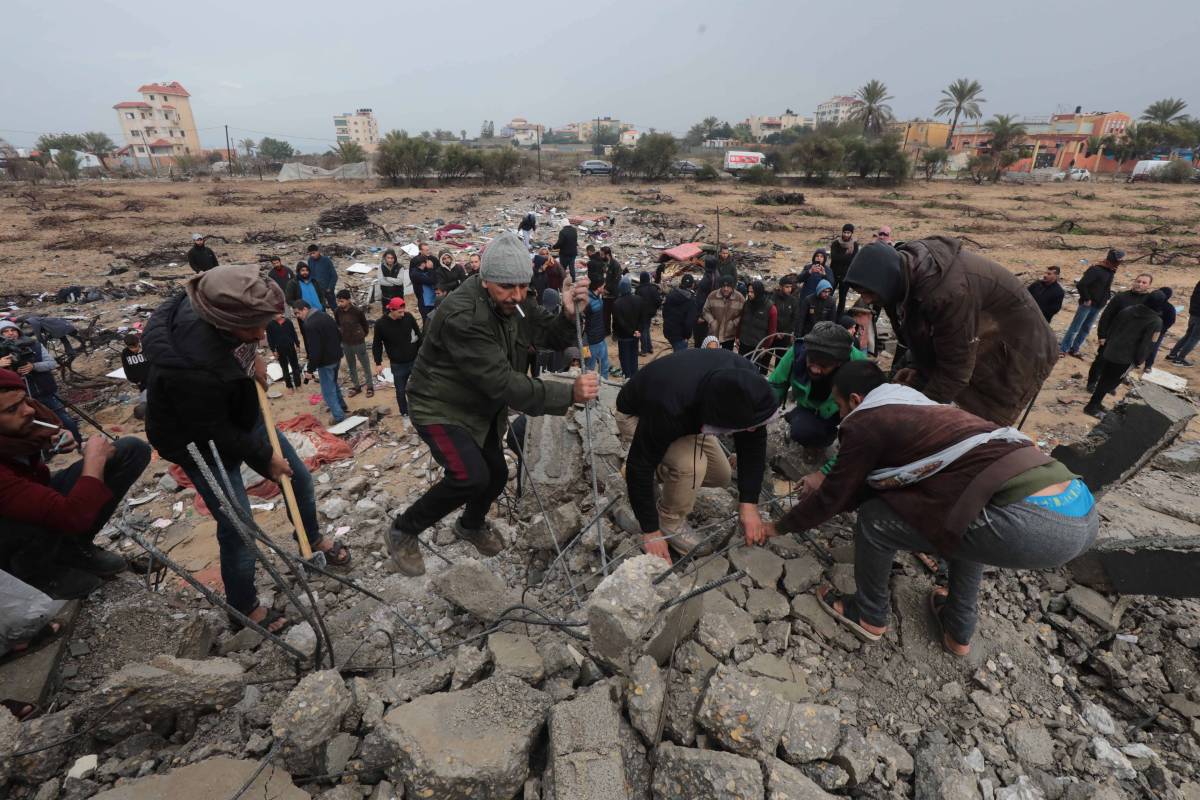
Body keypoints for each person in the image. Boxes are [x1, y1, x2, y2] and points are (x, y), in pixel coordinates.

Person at [764, 360, 1098, 657]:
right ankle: (958, 627)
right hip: (1079, 507)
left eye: (839, 406)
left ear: (855, 400)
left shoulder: (865, 421)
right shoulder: (915, 403)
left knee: (876, 521)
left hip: (1034, 524)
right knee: (961, 514)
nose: (839, 415)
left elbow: (835, 495)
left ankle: (868, 614)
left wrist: (778, 527)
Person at [143, 265, 350, 632]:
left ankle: (311, 537)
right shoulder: (191, 367)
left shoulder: (213, 298)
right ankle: (243, 607)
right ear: (222, 323)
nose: (261, 334)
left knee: (299, 479)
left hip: (236, 407)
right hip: (198, 440)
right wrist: (264, 458)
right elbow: (216, 430)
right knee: (239, 524)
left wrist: (251, 355)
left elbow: (245, 335)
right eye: (253, 328)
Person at [384, 231, 599, 576]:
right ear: (485, 281)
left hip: (478, 404)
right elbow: (503, 383)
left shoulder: (515, 300)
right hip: (439, 405)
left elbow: (547, 333)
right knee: (469, 476)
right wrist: (568, 393)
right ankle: (403, 530)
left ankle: (470, 525)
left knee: (496, 474)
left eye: (522, 286)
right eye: (507, 288)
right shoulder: (464, 316)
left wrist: (569, 316)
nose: (517, 296)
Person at [844, 238, 1057, 426]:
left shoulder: (948, 293)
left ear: (887, 280)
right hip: (975, 332)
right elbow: (918, 331)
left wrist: (919, 414)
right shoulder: (905, 275)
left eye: (868, 292)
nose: (867, 300)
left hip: (1019, 348)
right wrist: (917, 367)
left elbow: (956, 369)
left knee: (978, 423)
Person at [615, 348, 778, 561]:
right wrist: (650, 530)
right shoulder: (670, 405)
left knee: (720, 475)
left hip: (688, 416)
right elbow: (640, 463)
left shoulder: (747, 383)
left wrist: (749, 503)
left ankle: (658, 474)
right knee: (693, 466)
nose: (752, 430)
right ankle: (669, 520)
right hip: (637, 415)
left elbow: (753, 439)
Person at [0, 368, 150, 600]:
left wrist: (54, 437)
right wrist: (94, 461)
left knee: (131, 450)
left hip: (30, 495)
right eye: (12, 409)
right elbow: (72, 514)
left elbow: (46, 421)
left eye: (24, 400)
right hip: (9, 533)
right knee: (31, 520)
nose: (28, 410)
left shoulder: (17, 430)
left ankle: (71, 546)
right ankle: (34, 572)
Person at [769, 322, 866, 455]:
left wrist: (831, 466)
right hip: (808, 406)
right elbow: (776, 385)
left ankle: (826, 435)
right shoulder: (797, 352)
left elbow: (863, 425)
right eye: (811, 361)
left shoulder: (858, 365)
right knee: (801, 431)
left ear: (839, 362)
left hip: (838, 413)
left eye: (824, 365)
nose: (815, 369)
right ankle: (801, 421)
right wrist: (763, 414)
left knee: (836, 435)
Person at [1084, 291, 1165, 417]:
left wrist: (1108, 344)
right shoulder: (1155, 321)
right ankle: (1091, 406)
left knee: (1104, 378)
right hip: (1126, 357)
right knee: (1110, 382)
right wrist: (1139, 360)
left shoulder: (1128, 310)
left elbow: (1113, 327)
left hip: (1110, 350)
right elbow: (1147, 344)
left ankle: (1096, 403)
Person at [0, 321, 81, 444]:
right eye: (5, 331)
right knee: (34, 425)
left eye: (13, 330)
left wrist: (34, 366)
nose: (10, 333)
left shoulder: (34, 345)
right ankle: (47, 449)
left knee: (63, 418)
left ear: (18, 332)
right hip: (22, 398)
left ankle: (78, 442)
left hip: (45, 390)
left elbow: (52, 363)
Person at [1086, 272, 1153, 392]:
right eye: (1138, 281)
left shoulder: (1149, 301)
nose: (1140, 284)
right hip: (1111, 337)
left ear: (1149, 285)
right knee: (1100, 362)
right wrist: (1102, 335)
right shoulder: (1121, 297)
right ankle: (1092, 383)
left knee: (1117, 367)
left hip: (1129, 343)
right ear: (1134, 281)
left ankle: (1107, 386)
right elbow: (1106, 316)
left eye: (1144, 283)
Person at [1061, 249, 1124, 357]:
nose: (1120, 262)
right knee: (1075, 328)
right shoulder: (1096, 269)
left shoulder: (1111, 271)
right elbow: (1081, 284)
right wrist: (1086, 298)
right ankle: (1063, 349)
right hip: (1087, 305)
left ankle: (1075, 349)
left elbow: (1106, 287)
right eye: (1119, 260)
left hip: (1099, 305)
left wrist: (1106, 298)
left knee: (1086, 329)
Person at [294, 301, 348, 424]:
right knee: (333, 383)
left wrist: (310, 369)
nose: (297, 316)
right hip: (336, 356)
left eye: (298, 313)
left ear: (305, 309)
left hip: (325, 361)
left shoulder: (310, 324)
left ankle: (339, 416)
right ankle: (342, 406)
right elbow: (338, 333)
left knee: (328, 391)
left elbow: (315, 349)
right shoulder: (324, 315)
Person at [372, 297, 421, 418]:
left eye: (403, 311)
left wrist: (422, 354)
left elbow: (419, 335)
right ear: (391, 310)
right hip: (398, 364)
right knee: (400, 391)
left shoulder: (408, 317)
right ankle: (404, 413)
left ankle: (420, 410)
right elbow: (377, 344)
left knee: (419, 388)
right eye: (399, 312)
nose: (402, 314)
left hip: (414, 360)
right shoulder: (381, 324)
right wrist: (378, 362)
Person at [333, 290, 374, 399]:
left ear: (348, 300)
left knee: (365, 365)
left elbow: (365, 325)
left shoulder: (357, 311)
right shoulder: (337, 311)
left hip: (359, 342)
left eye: (342, 301)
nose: (340, 303)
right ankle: (356, 387)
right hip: (346, 342)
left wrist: (361, 335)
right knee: (351, 366)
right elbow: (338, 325)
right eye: (338, 301)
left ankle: (370, 387)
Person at [613, 276, 648, 379]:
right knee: (633, 356)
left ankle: (628, 378)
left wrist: (632, 331)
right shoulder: (638, 299)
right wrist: (638, 331)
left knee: (624, 358)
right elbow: (643, 318)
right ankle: (634, 376)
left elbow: (619, 322)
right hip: (635, 335)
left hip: (624, 336)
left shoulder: (617, 303)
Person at [738, 280, 777, 371]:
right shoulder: (747, 303)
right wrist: (737, 336)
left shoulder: (770, 308)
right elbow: (742, 320)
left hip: (757, 346)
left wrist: (765, 347)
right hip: (744, 342)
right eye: (748, 291)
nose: (749, 294)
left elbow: (772, 330)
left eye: (752, 292)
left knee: (752, 370)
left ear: (759, 292)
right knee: (740, 367)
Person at [702, 275, 745, 351]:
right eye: (723, 286)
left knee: (725, 356)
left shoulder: (740, 298)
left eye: (728, 286)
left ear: (733, 287)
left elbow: (744, 314)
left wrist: (733, 323)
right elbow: (705, 310)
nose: (726, 289)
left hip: (729, 336)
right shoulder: (712, 295)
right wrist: (712, 321)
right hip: (713, 335)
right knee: (712, 356)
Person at [266, 312, 302, 393]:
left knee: (295, 366)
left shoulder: (288, 322)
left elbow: (293, 333)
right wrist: (273, 350)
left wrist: (297, 345)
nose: (275, 315)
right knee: (284, 368)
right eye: (274, 314)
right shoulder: (270, 325)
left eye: (277, 313)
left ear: (281, 313)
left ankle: (298, 384)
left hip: (290, 347)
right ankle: (289, 386)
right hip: (279, 349)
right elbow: (269, 338)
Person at [1167, 279, 1200, 366]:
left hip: (1194, 313)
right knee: (1194, 338)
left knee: (1188, 335)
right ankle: (1180, 359)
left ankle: (1172, 354)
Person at [663, 274, 699, 353]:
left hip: (668, 331)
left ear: (681, 283)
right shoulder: (691, 300)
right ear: (692, 285)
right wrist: (687, 336)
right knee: (680, 358)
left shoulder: (671, 294)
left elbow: (664, 313)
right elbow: (689, 322)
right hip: (680, 336)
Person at [830, 224, 860, 317]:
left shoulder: (854, 245)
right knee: (829, 294)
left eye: (848, 233)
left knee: (842, 298)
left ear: (851, 233)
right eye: (845, 232)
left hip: (845, 275)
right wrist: (847, 256)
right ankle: (827, 313)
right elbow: (834, 257)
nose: (846, 235)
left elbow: (853, 260)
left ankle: (839, 316)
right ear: (842, 232)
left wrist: (842, 257)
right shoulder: (836, 243)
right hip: (834, 273)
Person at [582, 279, 610, 378]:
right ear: (598, 287)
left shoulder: (598, 297)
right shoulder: (586, 301)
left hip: (601, 339)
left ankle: (604, 385)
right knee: (589, 368)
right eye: (603, 286)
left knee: (605, 366)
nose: (604, 288)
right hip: (590, 342)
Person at [1144, 287, 1175, 371]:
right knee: (1153, 348)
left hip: (1156, 331)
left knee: (1152, 348)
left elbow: (1170, 321)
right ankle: (1148, 366)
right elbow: (1171, 321)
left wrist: (1161, 329)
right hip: (1155, 331)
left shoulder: (1169, 308)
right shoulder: (1170, 307)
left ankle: (1147, 365)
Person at [771, 276, 800, 361]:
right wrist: (775, 331)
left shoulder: (793, 301)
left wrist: (786, 332)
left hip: (784, 337)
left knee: (780, 360)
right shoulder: (773, 298)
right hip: (771, 335)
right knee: (766, 358)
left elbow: (795, 319)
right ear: (780, 287)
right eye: (787, 287)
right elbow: (769, 316)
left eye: (790, 287)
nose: (789, 289)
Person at [409, 245, 438, 324]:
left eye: (428, 249)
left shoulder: (432, 259)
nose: (428, 251)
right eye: (425, 250)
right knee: (427, 319)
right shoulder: (415, 265)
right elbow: (431, 280)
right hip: (423, 296)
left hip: (432, 294)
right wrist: (430, 269)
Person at [635, 272, 662, 354]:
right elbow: (658, 301)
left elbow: (636, 302)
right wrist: (654, 309)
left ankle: (644, 350)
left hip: (642, 313)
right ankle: (649, 348)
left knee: (643, 330)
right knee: (646, 329)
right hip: (651, 313)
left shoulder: (639, 289)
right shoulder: (653, 288)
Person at [306, 244, 338, 309]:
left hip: (328, 289)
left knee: (334, 307)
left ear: (318, 251)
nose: (312, 255)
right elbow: (310, 274)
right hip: (317, 290)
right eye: (310, 254)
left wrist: (330, 288)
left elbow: (334, 276)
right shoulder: (310, 260)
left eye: (313, 253)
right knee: (321, 307)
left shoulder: (326, 260)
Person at [600, 246, 622, 339]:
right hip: (604, 294)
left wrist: (607, 289)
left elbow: (616, 281)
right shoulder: (603, 264)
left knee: (615, 314)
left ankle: (616, 333)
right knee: (605, 314)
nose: (601, 256)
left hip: (613, 295)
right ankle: (606, 331)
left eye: (602, 254)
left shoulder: (615, 265)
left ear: (607, 255)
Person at [377, 248, 407, 313]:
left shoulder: (400, 267)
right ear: (385, 258)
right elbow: (381, 281)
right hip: (386, 297)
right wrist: (393, 283)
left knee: (399, 314)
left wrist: (387, 278)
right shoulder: (381, 267)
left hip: (398, 297)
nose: (390, 260)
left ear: (395, 258)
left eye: (392, 258)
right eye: (388, 258)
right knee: (387, 315)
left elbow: (400, 282)